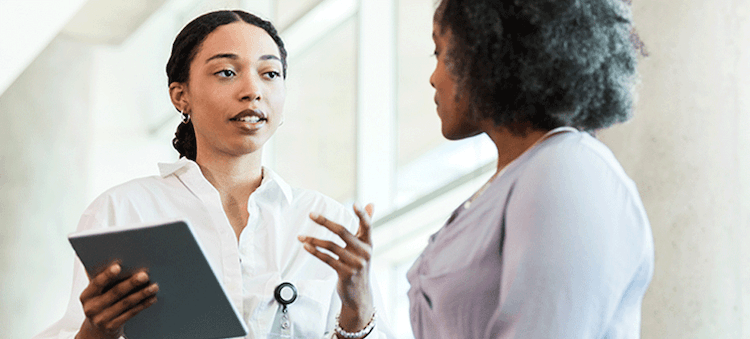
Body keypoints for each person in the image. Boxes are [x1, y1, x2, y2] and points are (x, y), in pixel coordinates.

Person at [34, 10, 392, 339]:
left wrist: (358, 309)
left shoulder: (324, 224)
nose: (252, 90)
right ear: (180, 96)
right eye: (227, 72)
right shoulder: (124, 211)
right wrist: (99, 329)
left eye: (270, 74)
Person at [406, 0, 654, 338]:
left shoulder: (565, 170)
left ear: (489, 50)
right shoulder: (518, 178)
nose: (433, 79)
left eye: (439, 52)